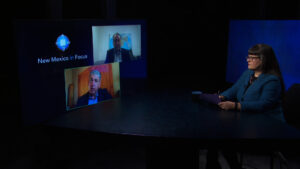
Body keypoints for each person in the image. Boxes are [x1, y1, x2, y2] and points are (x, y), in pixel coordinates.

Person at [218, 43, 285, 122]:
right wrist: (221, 97)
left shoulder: (272, 81)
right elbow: (234, 89)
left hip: (268, 122)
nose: (248, 60)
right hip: (249, 118)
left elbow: (264, 105)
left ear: (263, 60)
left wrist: (236, 106)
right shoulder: (247, 73)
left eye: (252, 58)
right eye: (248, 57)